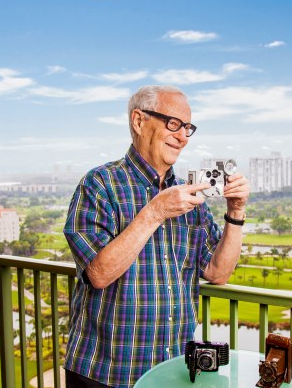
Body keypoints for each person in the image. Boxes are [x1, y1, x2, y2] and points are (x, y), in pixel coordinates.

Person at [63, 85, 250, 387]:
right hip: (105, 373)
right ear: (139, 121)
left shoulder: (189, 196)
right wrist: (153, 212)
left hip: (171, 372)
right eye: (173, 124)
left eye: (188, 128)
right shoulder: (99, 184)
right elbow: (98, 274)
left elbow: (218, 272)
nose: (183, 137)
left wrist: (236, 212)